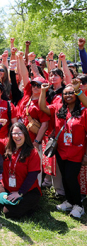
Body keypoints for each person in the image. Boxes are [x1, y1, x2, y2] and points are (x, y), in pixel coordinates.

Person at [39, 80, 87, 218]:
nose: (68, 95)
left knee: (71, 177)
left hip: (77, 152)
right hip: (61, 151)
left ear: (77, 94)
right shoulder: (59, 108)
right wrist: (43, 91)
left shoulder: (84, 112)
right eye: (65, 93)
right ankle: (69, 202)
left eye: (71, 92)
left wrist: (86, 155)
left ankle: (78, 205)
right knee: (65, 178)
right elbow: (43, 107)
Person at [0, 121, 42, 218]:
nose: (17, 136)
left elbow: (32, 176)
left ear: (25, 134)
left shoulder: (32, 152)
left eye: (19, 133)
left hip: (27, 190)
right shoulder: (7, 145)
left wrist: (20, 193)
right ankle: (11, 200)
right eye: (14, 133)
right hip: (7, 186)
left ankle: (30, 204)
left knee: (9, 213)